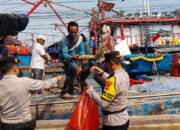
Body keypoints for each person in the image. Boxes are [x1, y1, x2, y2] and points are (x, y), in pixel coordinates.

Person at [0, 57, 63, 130]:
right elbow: (44, 84)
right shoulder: (25, 82)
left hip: (5, 125)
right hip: (24, 125)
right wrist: (57, 79)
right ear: (15, 69)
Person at [87, 51, 130, 130]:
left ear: (111, 62)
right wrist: (101, 73)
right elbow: (115, 83)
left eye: (106, 63)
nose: (105, 65)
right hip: (124, 119)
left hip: (113, 124)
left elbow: (103, 103)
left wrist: (90, 91)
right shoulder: (124, 74)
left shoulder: (112, 80)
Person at [59, 21, 85, 99]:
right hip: (65, 60)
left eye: (75, 31)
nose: (73, 33)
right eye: (71, 31)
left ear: (77, 30)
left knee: (70, 75)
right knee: (72, 71)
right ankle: (64, 92)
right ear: (68, 31)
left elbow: (81, 50)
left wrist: (81, 56)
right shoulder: (64, 40)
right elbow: (64, 54)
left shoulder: (80, 39)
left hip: (74, 59)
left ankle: (70, 92)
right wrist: (72, 57)